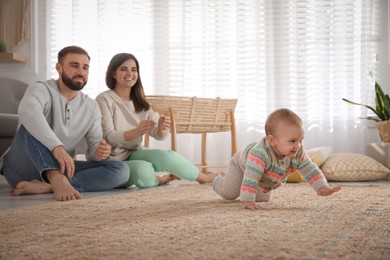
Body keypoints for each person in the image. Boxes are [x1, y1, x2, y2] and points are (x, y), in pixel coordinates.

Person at [0, 46, 129, 201]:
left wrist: (100, 152)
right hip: (20, 167)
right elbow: (28, 111)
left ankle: (49, 186)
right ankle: (57, 180)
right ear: (59, 68)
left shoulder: (91, 106)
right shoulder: (41, 88)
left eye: (85, 67)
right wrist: (57, 147)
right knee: (30, 125)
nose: (81, 72)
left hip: (61, 168)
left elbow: (93, 152)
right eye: (74, 66)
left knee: (121, 169)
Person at [95, 52, 216, 188]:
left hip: (133, 152)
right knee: (143, 169)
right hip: (112, 160)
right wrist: (137, 131)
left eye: (134, 70)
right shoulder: (104, 99)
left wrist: (162, 128)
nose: (130, 73)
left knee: (167, 156)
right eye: (124, 69)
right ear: (113, 74)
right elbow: (109, 137)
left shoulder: (141, 101)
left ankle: (204, 178)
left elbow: (159, 136)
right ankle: (157, 180)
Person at [213, 108, 341, 210]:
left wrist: (321, 187)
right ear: (272, 140)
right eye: (292, 141)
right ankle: (217, 179)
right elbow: (251, 178)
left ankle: (246, 188)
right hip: (241, 166)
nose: (298, 145)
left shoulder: (297, 152)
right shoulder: (259, 155)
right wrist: (248, 200)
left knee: (263, 198)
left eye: (300, 140)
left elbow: (310, 169)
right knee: (229, 194)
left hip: (263, 177)